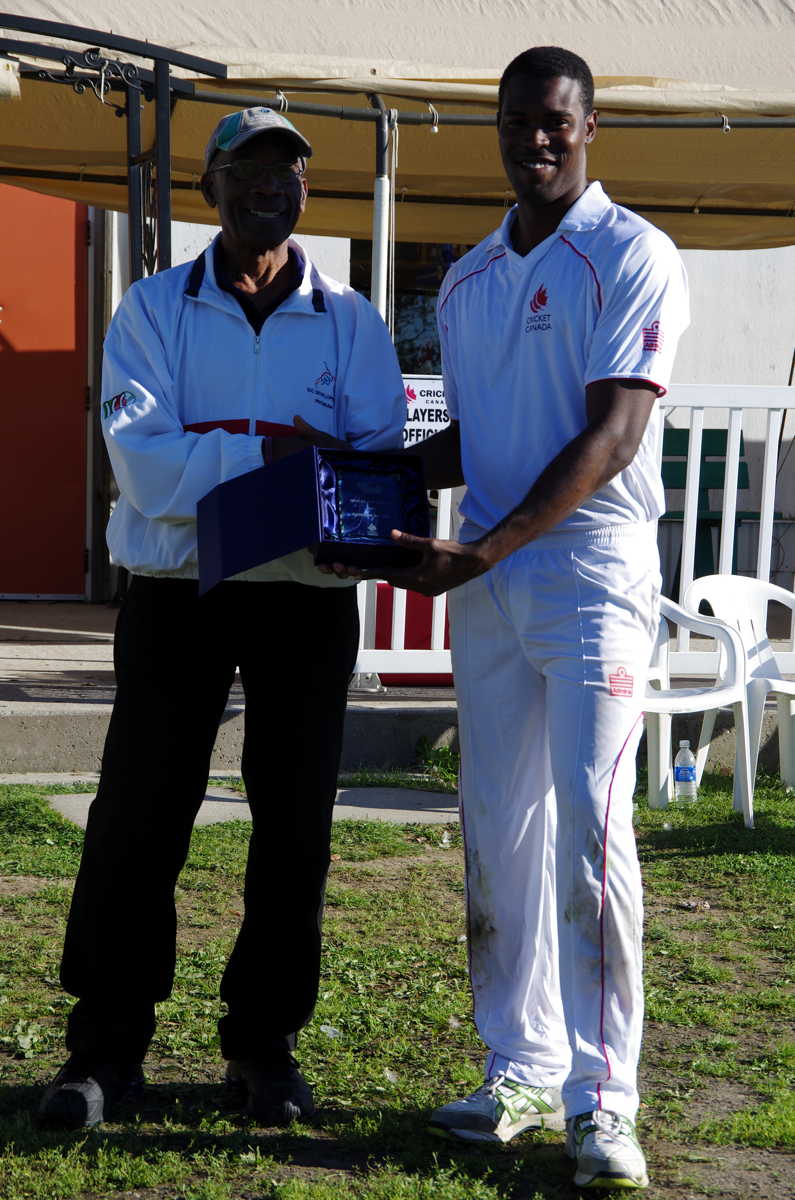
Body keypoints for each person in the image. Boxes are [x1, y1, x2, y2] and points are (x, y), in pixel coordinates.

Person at [324, 45, 688, 1191]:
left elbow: (613, 435)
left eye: (556, 122)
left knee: (590, 829)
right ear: (497, 128)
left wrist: (483, 546)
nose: (536, 139)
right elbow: (476, 437)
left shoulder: (632, 254)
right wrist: (359, 489)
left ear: (589, 129)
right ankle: (519, 1070)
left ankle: (603, 1100)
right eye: (518, 120)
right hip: (488, 578)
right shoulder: (472, 277)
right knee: (498, 828)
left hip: (590, 573)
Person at [38, 106, 406, 1130]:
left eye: (286, 172)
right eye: (246, 170)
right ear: (211, 188)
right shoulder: (152, 310)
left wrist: (247, 469)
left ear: (305, 190)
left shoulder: (352, 321)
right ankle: (105, 1050)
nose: (267, 188)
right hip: (178, 594)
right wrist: (282, 459)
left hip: (307, 598)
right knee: (138, 817)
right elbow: (143, 468)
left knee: (295, 828)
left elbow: (371, 464)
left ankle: (263, 1048)